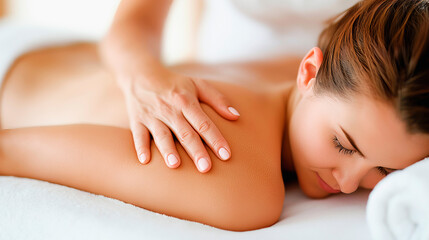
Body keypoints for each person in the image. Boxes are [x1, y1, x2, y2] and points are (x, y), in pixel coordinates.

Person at [0, 0, 428, 231]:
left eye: (385, 170)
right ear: (309, 71)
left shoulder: (281, 68)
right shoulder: (248, 190)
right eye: (342, 144)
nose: (350, 183)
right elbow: (11, 152)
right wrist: (142, 73)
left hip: (46, 52)